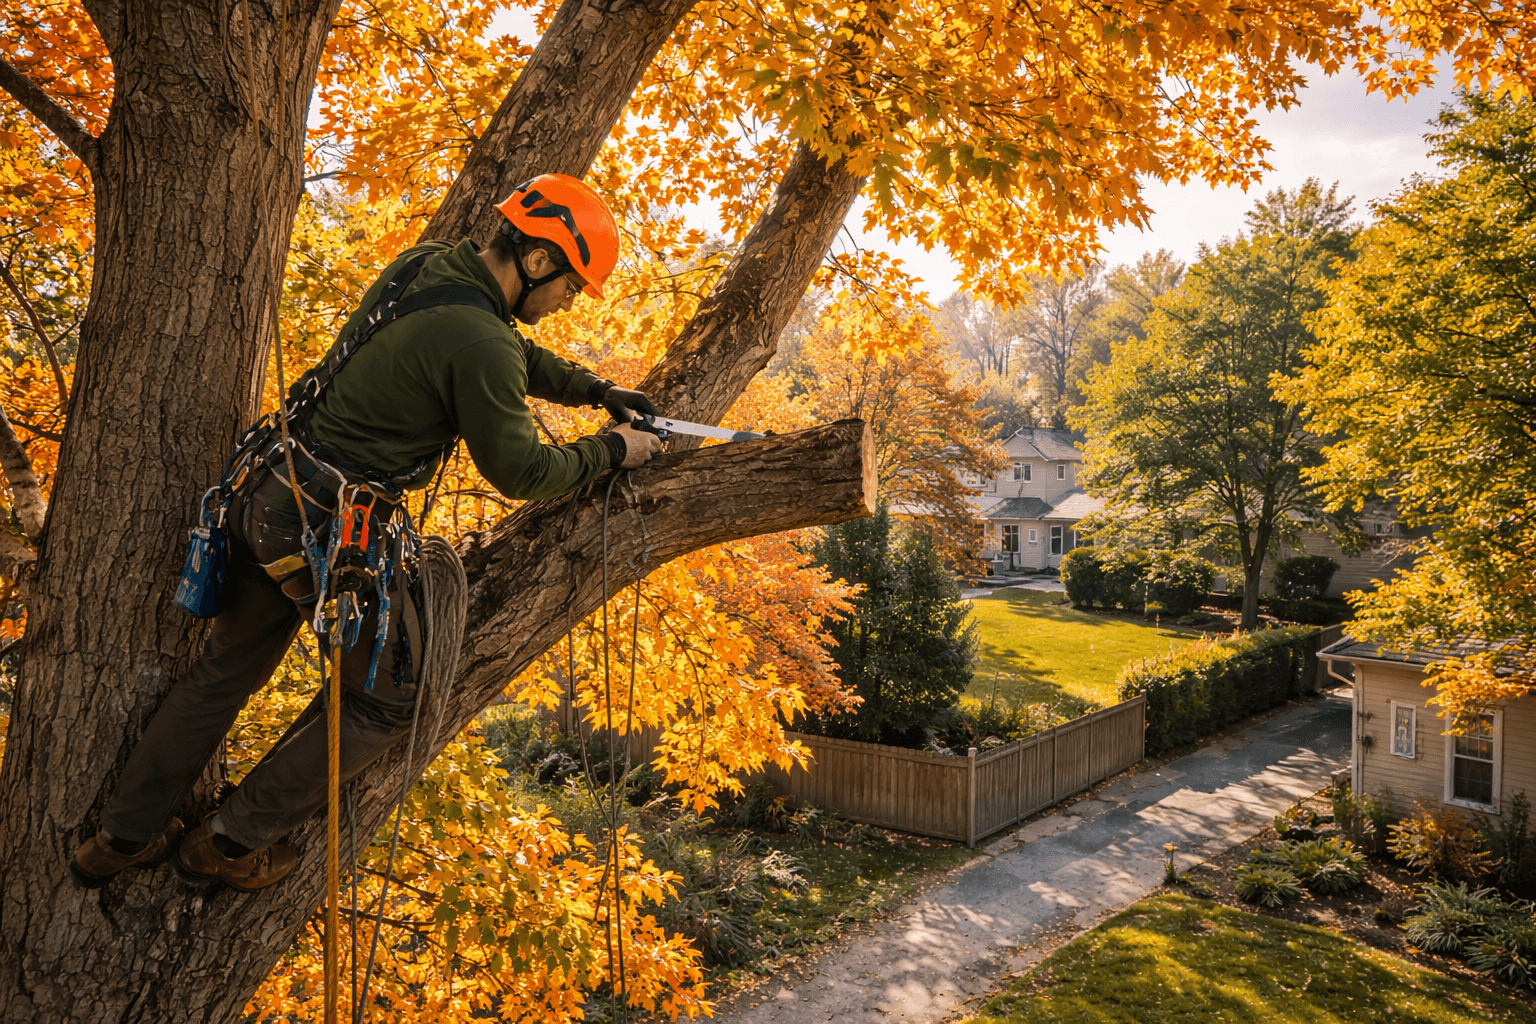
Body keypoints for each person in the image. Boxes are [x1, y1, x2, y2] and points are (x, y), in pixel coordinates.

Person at [69, 174, 662, 892]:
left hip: (272, 491)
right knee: (389, 698)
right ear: (538, 260)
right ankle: (225, 847)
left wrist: (596, 390)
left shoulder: (429, 265)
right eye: (570, 284)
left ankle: (119, 837)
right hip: (327, 522)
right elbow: (523, 470)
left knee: (226, 669)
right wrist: (611, 450)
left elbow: (507, 348)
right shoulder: (482, 343)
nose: (568, 301)